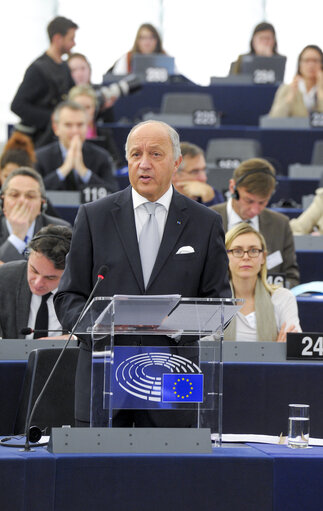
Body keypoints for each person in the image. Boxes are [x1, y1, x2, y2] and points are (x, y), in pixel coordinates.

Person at [54, 120, 231, 426]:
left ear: (176, 162)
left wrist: (174, 326)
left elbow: (218, 299)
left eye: (155, 154)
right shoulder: (94, 217)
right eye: (136, 154)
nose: (144, 163)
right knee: (98, 471)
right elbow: (69, 296)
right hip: (104, 368)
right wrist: (95, 329)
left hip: (175, 371)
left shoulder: (206, 223)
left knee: (172, 471)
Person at [211, 158, 300, 289]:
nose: (255, 210)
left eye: (262, 202)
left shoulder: (280, 225)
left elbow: (291, 277)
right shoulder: (208, 219)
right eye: (249, 201)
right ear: (232, 188)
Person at [224, 223, 301, 342]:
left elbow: (293, 348)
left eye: (253, 250)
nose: (246, 257)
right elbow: (204, 351)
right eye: (237, 251)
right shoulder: (213, 300)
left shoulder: (283, 298)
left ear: (263, 257)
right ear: (225, 256)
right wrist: (277, 350)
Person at [11, 16, 77, 145]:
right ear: (57, 38)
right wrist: (52, 117)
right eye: (71, 39)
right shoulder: (37, 69)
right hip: (39, 141)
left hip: (56, 139)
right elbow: (17, 105)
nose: (74, 43)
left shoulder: (64, 67)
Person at [0, 224, 72, 339]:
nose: (38, 283)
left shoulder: (86, 288)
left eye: (50, 278)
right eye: (34, 270)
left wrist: (74, 339)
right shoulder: (4, 278)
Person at [35, 101, 118, 192]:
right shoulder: (40, 157)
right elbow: (34, 191)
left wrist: (83, 171)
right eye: (68, 125)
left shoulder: (102, 157)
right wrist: (64, 169)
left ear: (87, 127)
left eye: (80, 125)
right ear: (56, 128)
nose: (75, 131)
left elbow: (113, 193)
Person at [0, 167, 70, 263]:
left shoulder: (59, 231)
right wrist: (17, 237)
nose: (22, 201)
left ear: (42, 204)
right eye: (14, 195)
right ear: (3, 201)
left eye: (30, 196)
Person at [68, 85, 123, 167]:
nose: (83, 112)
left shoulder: (105, 134)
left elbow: (117, 163)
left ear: (95, 109)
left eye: (87, 107)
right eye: (78, 107)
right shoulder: (62, 135)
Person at [269, 45, 323, 117]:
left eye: (315, 61)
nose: (311, 65)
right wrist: (289, 98)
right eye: (307, 60)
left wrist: (320, 91)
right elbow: (274, 118)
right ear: (299, 65)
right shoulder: (287, 88)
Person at [172, 142, 224, 206]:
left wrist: (209, 200)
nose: (203, 178)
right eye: (195, 172)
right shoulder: (160, 199)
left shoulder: (212, 194)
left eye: (204, 170)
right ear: (173, 174)